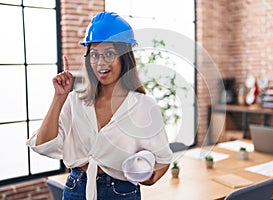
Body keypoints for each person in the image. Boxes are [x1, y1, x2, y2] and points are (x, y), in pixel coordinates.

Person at [26, 11, 173, 200]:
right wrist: (59, 97)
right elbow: (43, 145)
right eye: (94, 54)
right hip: (77, 189)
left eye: (110, 53)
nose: (101, 62)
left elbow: (163, 159)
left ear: (125, 56)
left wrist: (149, 178)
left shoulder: (143, 105)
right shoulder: (74, 100)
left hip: (122, 192)